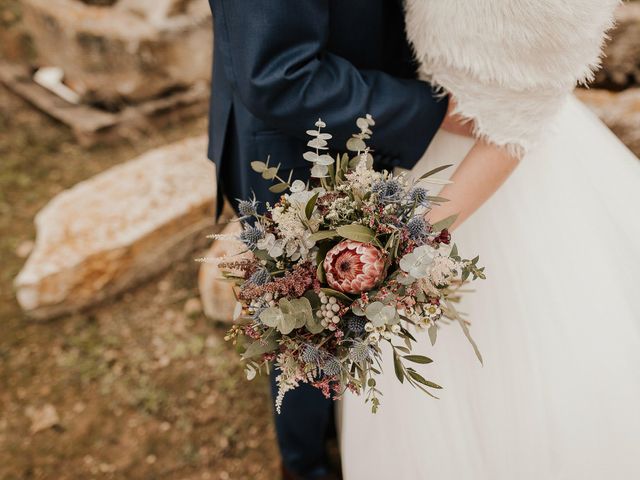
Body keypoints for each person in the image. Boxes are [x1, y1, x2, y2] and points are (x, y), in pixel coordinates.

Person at [340, 1, 640, 478]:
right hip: (416, 145)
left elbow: (512, 129)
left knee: (519, 371)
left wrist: (410, 241)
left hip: (485, 180)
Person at [205, 1, 465, 478]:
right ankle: (306, 463)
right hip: (296, 148)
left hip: (390, 126)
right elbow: (277, 75)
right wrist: (427, 109)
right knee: (304, 326)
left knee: (365, 317)